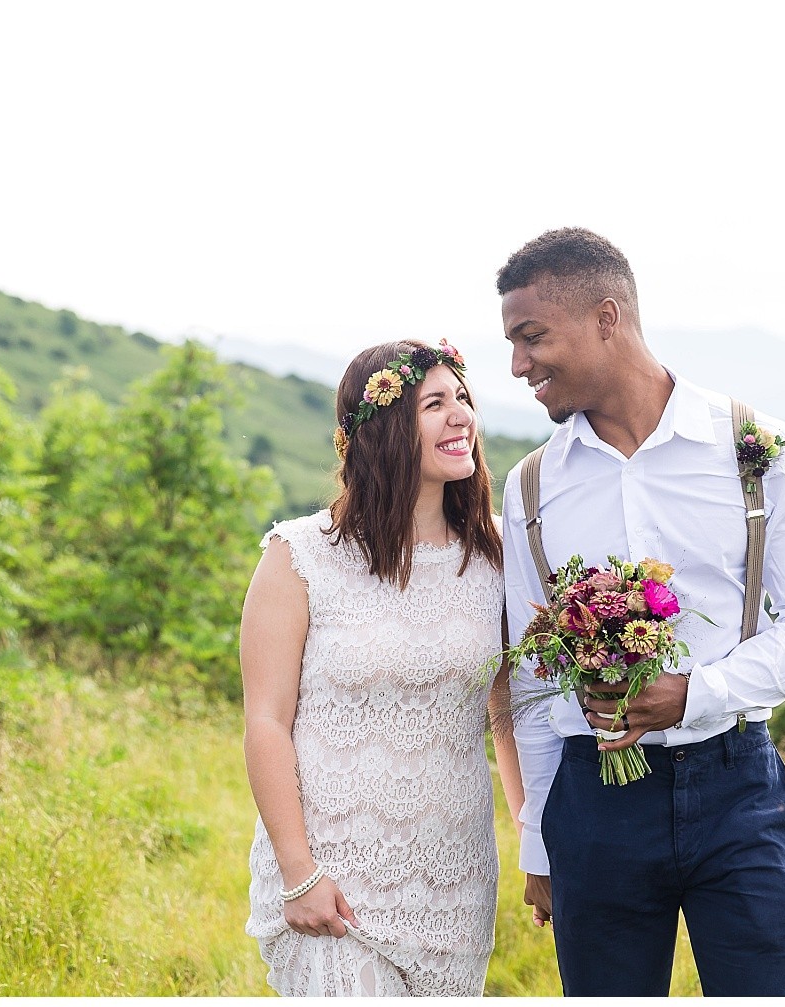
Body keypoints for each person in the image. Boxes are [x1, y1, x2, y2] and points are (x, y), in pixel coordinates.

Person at [496, 228, 785, 997]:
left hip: (738, 790)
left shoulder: (753, 448)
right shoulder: (529, 489)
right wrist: (539, 843)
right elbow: (531, 678)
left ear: (605, 317)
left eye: (531, 337)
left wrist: (697, 694)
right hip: (594, 805)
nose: (518, 365)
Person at [240, 339, 522, 996]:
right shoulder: (300, 556)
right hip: (333, 881)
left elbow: (509, 711)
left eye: (463, 399)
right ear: (385, 430)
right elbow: (266, 721)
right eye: (434, 403)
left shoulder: (501, 553)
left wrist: (535, 840)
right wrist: (299, 871)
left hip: (455, 880)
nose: (461, 418)